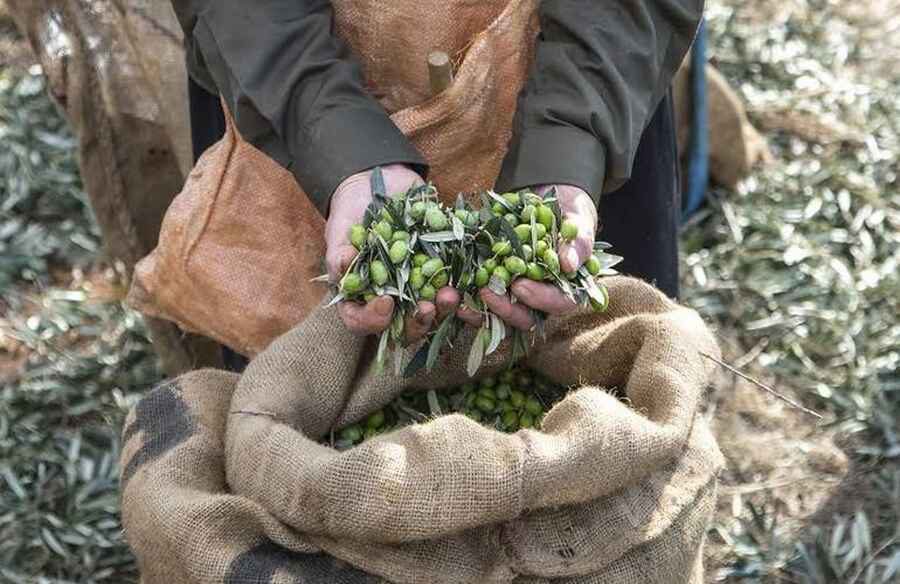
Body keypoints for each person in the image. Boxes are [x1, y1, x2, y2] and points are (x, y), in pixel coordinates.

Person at [173, 0, 701, 367]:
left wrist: (570, 138)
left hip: (595, 75)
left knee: (599, 373)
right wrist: (332, 140)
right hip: (280, 84)